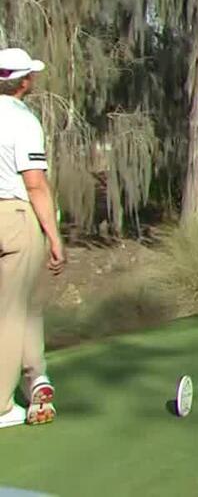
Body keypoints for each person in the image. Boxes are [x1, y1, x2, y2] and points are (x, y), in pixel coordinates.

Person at [0, 46, 63, 429]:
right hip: (17, 216)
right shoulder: (23, 120)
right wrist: (54, 236)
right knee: (12, 310)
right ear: (25, 82)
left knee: (22, 303)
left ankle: (36, 372)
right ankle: (3, 406)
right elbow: (35, 184)